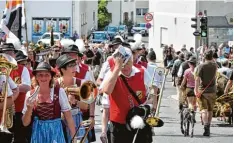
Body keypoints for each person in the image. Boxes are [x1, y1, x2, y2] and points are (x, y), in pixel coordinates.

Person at [100, 47, 158, 143]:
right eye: (122, 64)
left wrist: (148, 106)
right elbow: (107, 94)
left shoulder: (141, 72)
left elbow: (152, 92)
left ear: (132, 61)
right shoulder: (111, 74)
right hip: (119, 126)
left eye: (128, 63)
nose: (125, 67)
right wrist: (103, 131)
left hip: (140, 123)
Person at [22, 62, 76, 143]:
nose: (43, 77)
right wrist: (29, 109)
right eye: (40, 75)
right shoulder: (30, 94)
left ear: (51, 77)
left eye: (46, 74)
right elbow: (25, 123)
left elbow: (68, 117)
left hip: (56, 132)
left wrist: (74, 137)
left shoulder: (59, 92)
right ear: (36, 77)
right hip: (38, 133)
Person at [61, 44, 96, 142]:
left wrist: (92, 116)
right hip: (61, 116)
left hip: (82, 114)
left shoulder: (86, 70)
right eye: (69, 54)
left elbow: (92, 95)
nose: (72, 57)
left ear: (78, 56)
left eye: (74, 54)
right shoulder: (58, 70)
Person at [0, 43, 31, 143]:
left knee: (19, 139)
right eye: (5, 53)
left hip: (18, 111)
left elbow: (27, 87)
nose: (8, 55)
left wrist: (12, 88)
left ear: (14, 55)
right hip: (2, 112)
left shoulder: (23, 69)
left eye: (10, 52)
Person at [56, 54, 87, 143]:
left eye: (74, 65)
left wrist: (75, 101)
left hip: (77, 119)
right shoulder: (55, 85)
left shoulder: (80, 82)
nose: (74, 68)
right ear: (62, 69)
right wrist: (67, 103)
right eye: (70, 66)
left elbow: (85, 106)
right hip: (60, 122)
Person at [195, 49, 217, 136]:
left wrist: (196, 90)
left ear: (204, 56)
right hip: (212, 91)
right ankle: (209, 126)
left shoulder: (201, 66)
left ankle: (206, 127)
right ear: (212, 56)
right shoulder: (215, 66)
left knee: (204, 110)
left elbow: (197, 79)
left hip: (203, 90)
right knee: (210, 110)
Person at [180, 56, 197, 122]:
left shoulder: (187, 71)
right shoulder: (197, 70)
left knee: (190, 103)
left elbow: (184, 81)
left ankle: (191, 112)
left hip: (189, 88)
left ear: (190, 63)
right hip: (196, 89)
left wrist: (181, 86)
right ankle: (194, 116)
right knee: (195, 103)